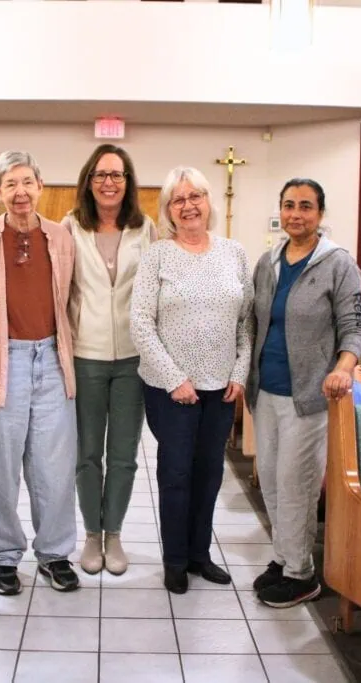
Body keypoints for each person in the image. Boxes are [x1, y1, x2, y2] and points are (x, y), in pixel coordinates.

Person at [130, 166, 253, 594]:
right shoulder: (157, 256)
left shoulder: (233, 253)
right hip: (172, 391)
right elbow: (141, 324)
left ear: (208, 202)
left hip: (221, 387)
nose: (188, 206)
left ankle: (201, 554)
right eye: (178, 200)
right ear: (168, 210)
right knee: (177, 473)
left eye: (195, 196)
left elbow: (246, 323)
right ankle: (176, 559)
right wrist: (174, 378)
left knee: (210, 474)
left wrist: (239, 372)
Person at [0, 150, 81, 595]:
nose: (20, 191)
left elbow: (72, 300)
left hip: (51, 358)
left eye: (27, 181)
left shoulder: (60, 237)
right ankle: (5, 556)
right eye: (10, 184)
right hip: (0, 361)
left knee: (53, 466)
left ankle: (53, 553)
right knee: (0, 466)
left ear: (40, 186)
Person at [246, 178, 361, 609]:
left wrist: (342, 368)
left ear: (320, 213)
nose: (296, 214)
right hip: (265, 393)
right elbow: (255, 323)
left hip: (309, 396)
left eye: (306, 206)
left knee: (296, 484)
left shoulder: (338, 264)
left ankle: (302, 575)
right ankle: (284, 558)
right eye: (289, 205)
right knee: (273, 483)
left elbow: (355, 328)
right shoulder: (268, 262)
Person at [62, 144, 157, 576]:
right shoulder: (69, 228)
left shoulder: (146, 228)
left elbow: (157, 292)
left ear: (128, 182)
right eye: (101, 174)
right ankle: (91, 534)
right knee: (86, 454)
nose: (108, 182)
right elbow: (59, 291)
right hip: (87, 355)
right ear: (88, 180)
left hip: (133, 360)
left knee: (123, 454)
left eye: (117, 175)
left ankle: (114, 533)